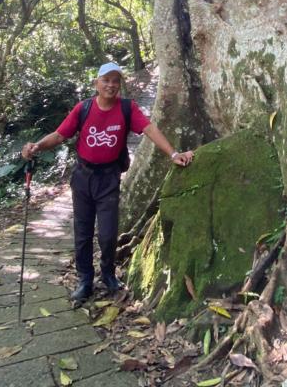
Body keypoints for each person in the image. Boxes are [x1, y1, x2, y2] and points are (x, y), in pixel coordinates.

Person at [21, 62, 194, 301]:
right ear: (97, 83)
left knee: (108, 233)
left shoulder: (127, 108)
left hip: (109, 178)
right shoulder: (84, 108)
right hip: (83, 177)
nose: (111, 85)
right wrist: (37, 146)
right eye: (106, 80)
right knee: (82, 231)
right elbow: (61, 134)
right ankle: (84, 280)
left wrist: (173, 154)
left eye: (115, 81)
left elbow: (149, 129)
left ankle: (109, 274)